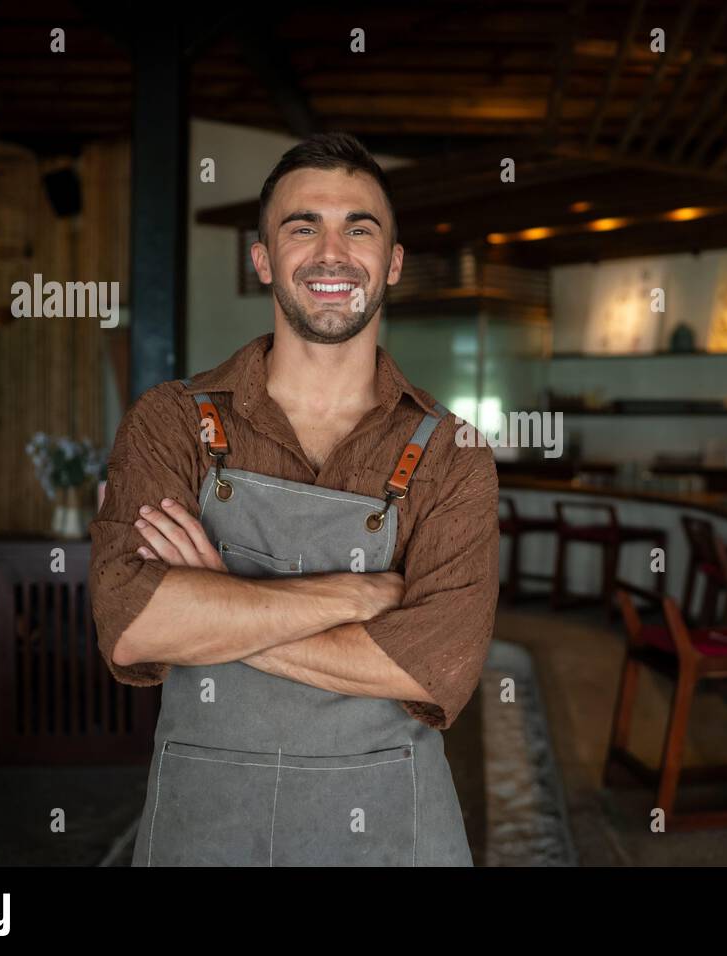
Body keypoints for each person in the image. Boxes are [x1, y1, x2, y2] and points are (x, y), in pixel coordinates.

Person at [88, 132, 499, 866]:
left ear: (393, 263)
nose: (332, 253)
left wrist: (213, 601)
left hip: (390, 831)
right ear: (263, 260)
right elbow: (130, 625)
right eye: (302, 226)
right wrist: (358, 594)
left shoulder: (453, 453)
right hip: (205, 825)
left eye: (359, 228)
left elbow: (432, 669)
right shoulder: (171, 421)